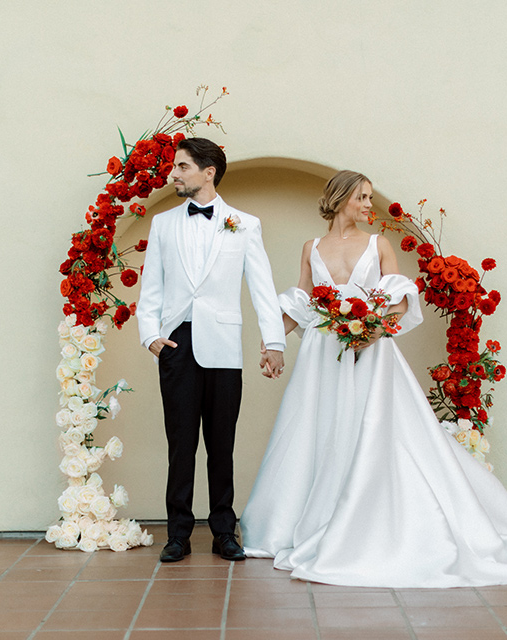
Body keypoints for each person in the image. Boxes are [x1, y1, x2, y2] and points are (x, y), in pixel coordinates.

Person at [240, 170, 507, 587]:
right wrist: (272, 345)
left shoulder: (378, 244)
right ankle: (312, 518)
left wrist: (372, 332)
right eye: (363, 197)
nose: (369, 205)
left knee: (375, 432)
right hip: (323, 356)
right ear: (343, 197)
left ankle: (369, 522)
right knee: (321, 428)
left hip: (370, 353)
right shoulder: (311, 247)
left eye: (369, 197)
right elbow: (304, 301)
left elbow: (399, 300)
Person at [136, 138, 286, 562]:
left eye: (182, 167)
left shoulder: (245, 224)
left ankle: (224, 531)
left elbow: (261, 286)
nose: (173, 174)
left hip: (223, 346)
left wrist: (273, 342)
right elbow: (152, 288)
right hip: (176, 345)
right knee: (180, 445)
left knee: (222, 444)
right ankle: (177, 535)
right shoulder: (164, 223)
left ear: (208, 172)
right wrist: (151, 336)